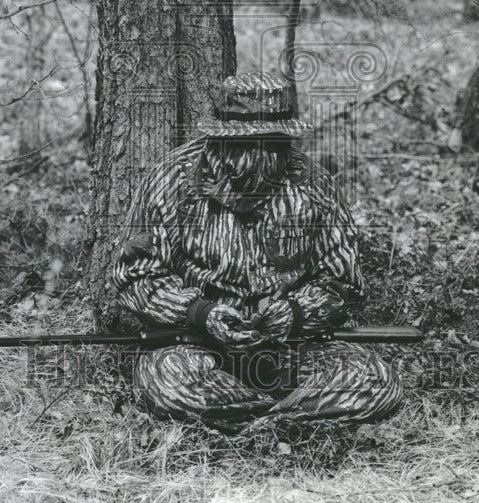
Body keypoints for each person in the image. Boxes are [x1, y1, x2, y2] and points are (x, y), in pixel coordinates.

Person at [112, 72, 402, 431]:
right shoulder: (170, 180)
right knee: (166, 383)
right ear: (219, 138)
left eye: (270, 144)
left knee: (375, 380)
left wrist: (294, 313)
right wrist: (202, 313)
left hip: (292, 349)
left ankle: (261, 424)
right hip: (197, 347)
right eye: (243, 145)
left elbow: (343, 282)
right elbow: (135, 278)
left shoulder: (314, 185)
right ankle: (286, 420)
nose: (256, 158)